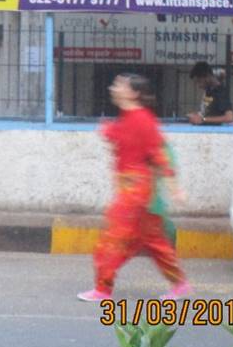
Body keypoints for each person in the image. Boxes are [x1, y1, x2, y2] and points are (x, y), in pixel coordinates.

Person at [78, 73, 191, 302]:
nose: (113, 88)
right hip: (135, 191)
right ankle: (180, 285)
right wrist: (110, 131)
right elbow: (125, 141)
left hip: (135, 193)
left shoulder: (143, 120)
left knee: (111, 240)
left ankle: (102, 289)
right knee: (155, 242)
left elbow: (159, 155)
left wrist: (174, 187)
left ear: (133, 93)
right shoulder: (128, 118)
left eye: (119, 85)